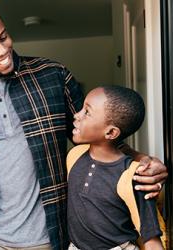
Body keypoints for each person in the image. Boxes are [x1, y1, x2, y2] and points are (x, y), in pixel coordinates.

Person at [0, 2, 167, 250]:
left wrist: (143, 161)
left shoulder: (53, 76)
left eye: (3, 37)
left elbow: (100, 136)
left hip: (47, 236)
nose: (2, 49)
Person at [67, 86, 163, 250]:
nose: (76, 115)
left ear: (111, 132)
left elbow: (151, 239)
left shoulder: (133, 176)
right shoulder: (74, 156)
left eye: (87, 112)